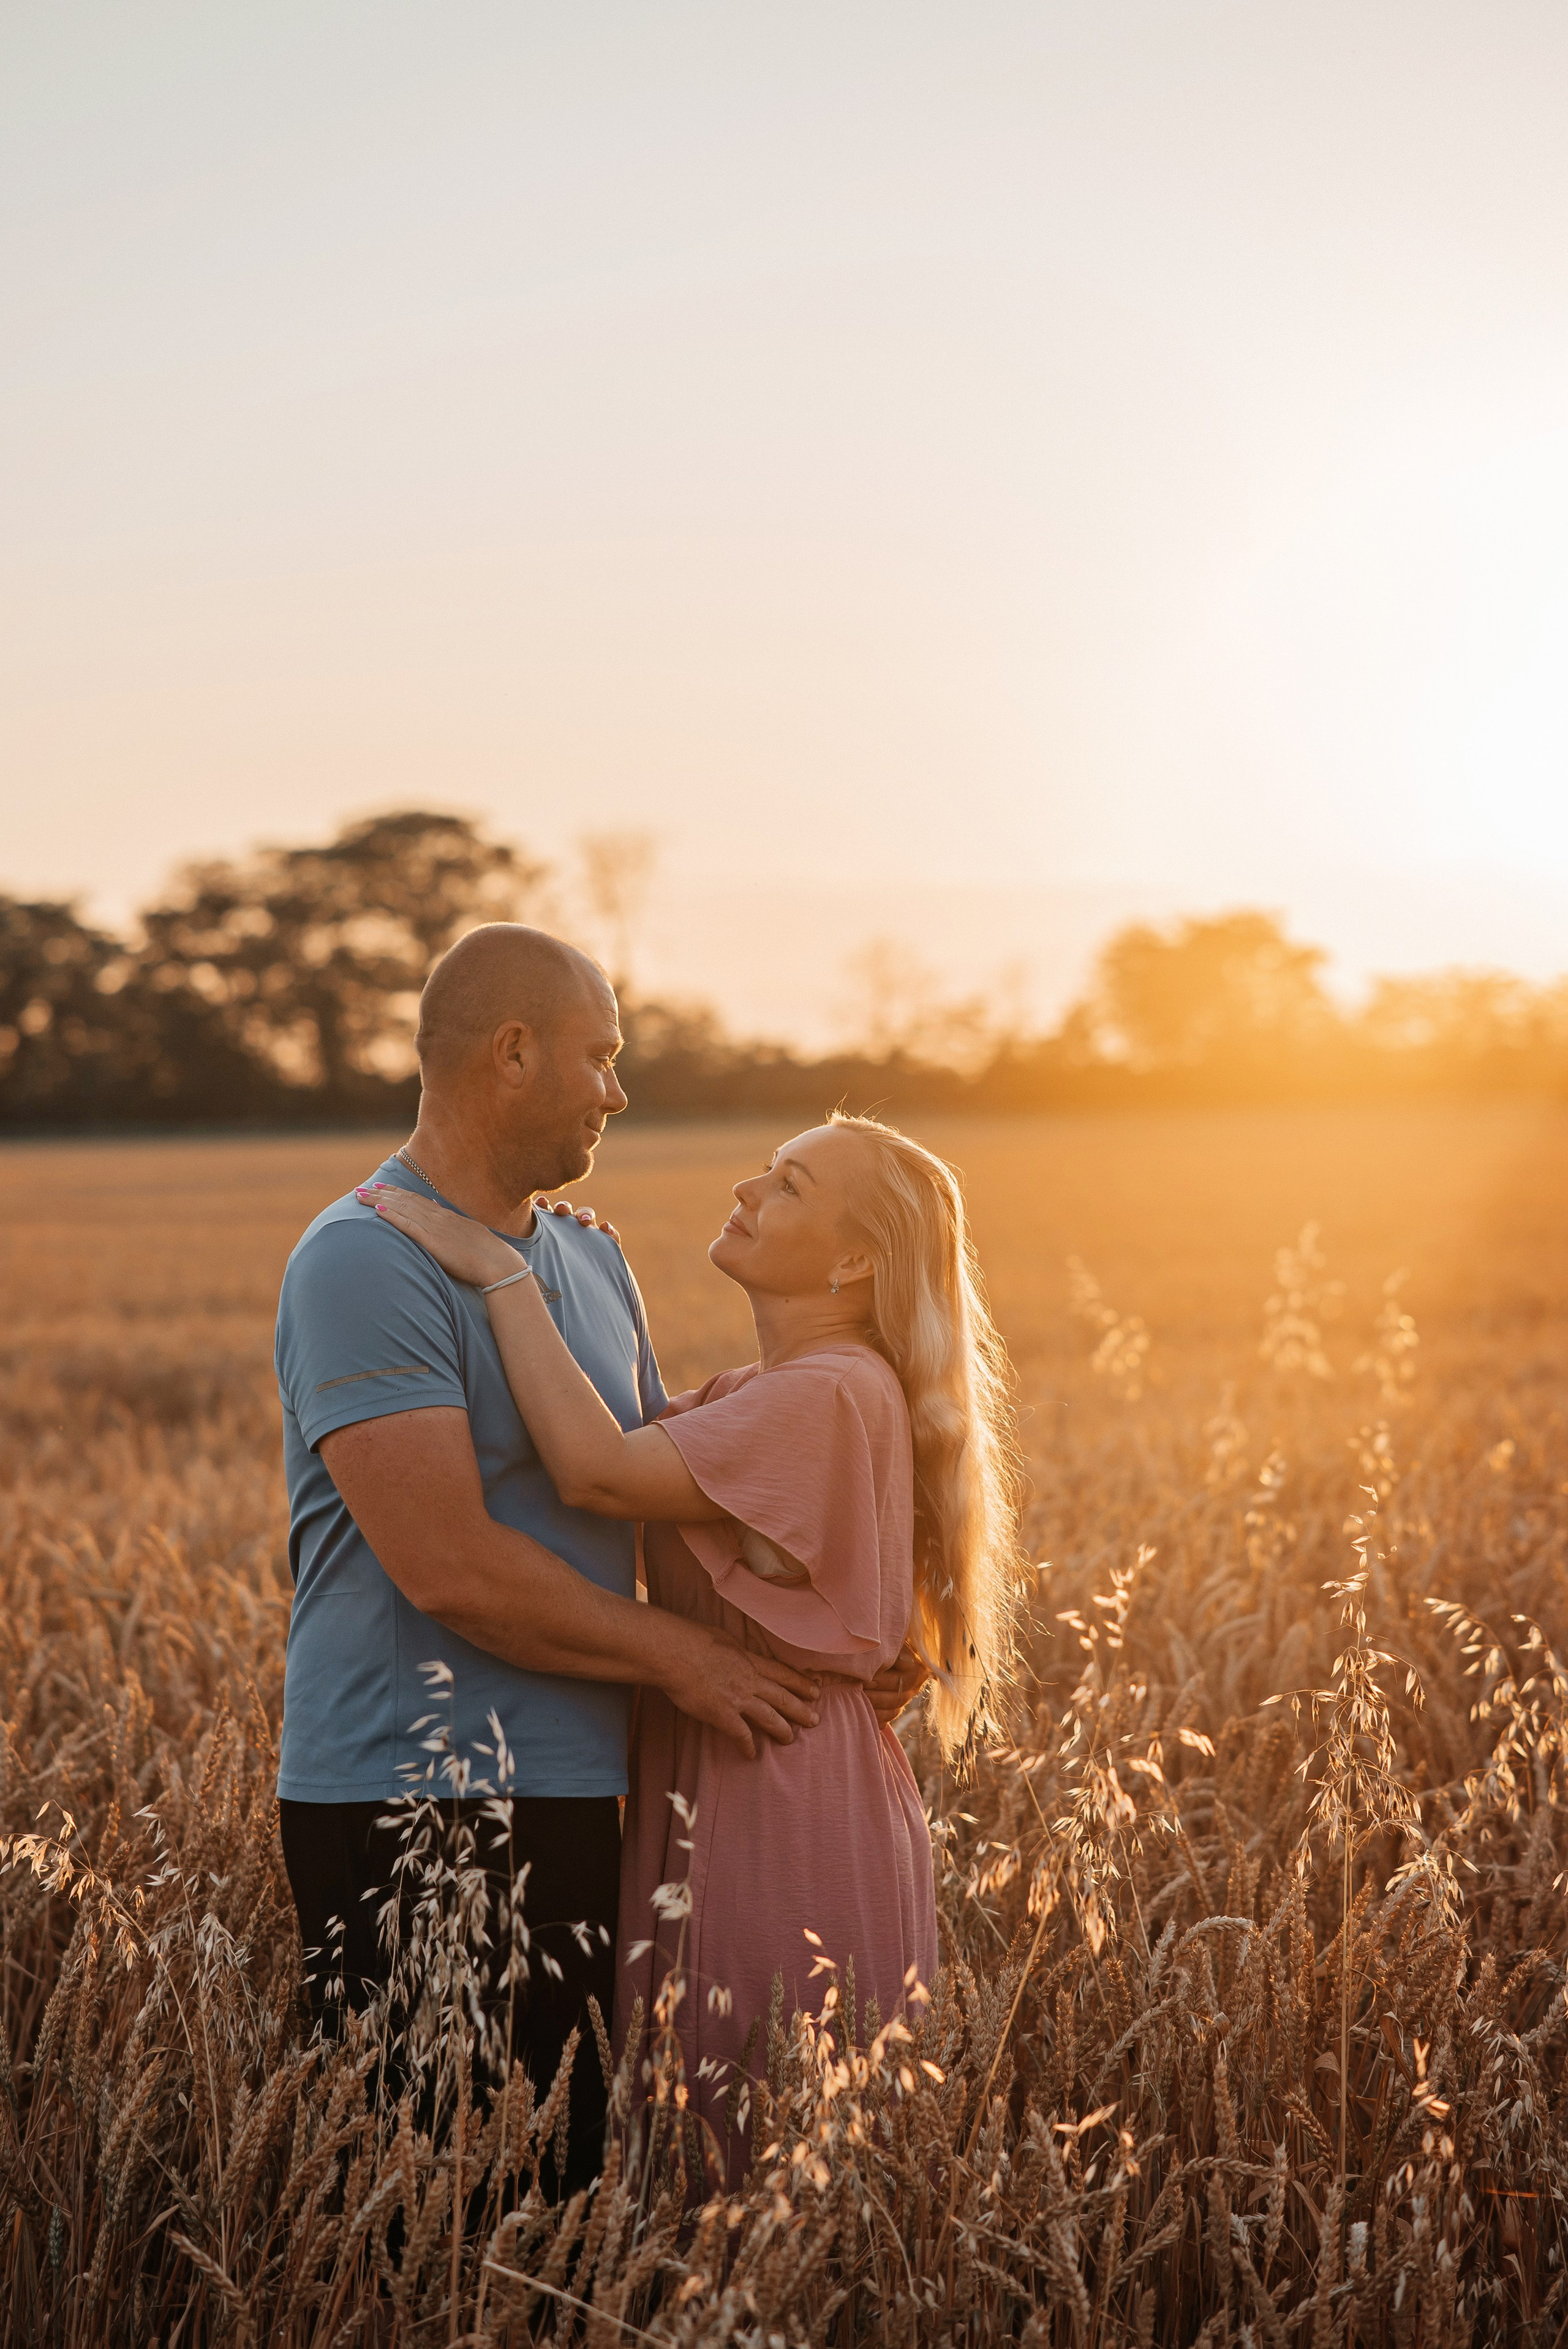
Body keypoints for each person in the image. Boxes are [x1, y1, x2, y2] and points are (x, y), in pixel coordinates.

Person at [273, 924, 919, 2193]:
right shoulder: (363, 1257)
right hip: (415, 1795)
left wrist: (847, 1640)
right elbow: (449, 1565)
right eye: (599, 1057)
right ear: (511, 1053)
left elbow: (677, 1481)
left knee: (558, 2196)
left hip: (587, 1795)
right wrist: (687, 1661)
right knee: (431, 2220)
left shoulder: (586, 1252)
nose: (618, 1091)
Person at [360, 1107, 1023, 2180]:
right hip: (746, 1767)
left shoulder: (827, 1393)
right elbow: (622, 1437)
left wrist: (498, 1267)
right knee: (712, 2143)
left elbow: (596, 1471)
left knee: (749, 2145)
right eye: (766, 1169)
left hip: (776, 1791)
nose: (748, 1189)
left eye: (791, 1185)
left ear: (855, 1260)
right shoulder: (774, 1395)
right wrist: (582, 1265)